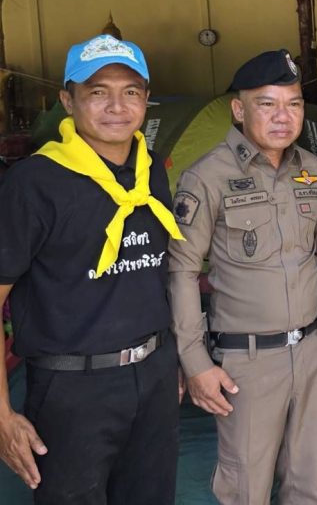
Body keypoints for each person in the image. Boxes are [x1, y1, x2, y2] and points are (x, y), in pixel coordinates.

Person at [168, 48, 317, 505]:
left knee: (310, 482)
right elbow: (181, 272)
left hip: (313, 349)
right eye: (267, 104)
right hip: (248, 362)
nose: (282, 117)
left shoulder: (312, 170)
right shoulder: (206, 177)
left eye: (293, 104)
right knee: (246, 488)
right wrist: (195, 362)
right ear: (239, 109)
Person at [0, 34, 182, 504]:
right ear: (68, 100)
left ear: (146, 99)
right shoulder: (34, 183)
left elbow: (155, 278)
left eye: (130, 91)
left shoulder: (150, 170)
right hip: (72, 388)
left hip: (155, 374)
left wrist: (169, 361)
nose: (117, 107)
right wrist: (1, 413)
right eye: (98, 91)